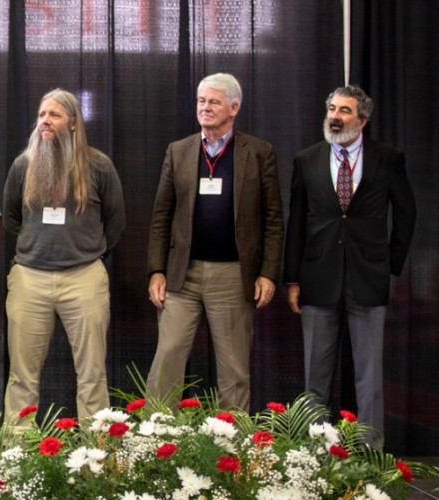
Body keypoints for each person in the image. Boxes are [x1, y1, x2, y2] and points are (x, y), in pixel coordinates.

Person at [284, 85, 416, 445]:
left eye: (344, 110)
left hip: (369, 276)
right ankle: (313, 453)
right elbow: (296, 221)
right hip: (317, 277)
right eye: (331, 108)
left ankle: (370, 453)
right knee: (316, 375)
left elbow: (406, 214)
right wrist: (292, 278)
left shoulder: (388, 159)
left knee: (369, 375)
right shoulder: (306, 159)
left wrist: (390, 265)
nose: (334, 116)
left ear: (363, 120)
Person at [146, 73, 283, 412]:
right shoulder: (178, 151)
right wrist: (156, 270)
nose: (205, 108)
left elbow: (273, 220)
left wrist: (267, 273)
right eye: (201, 101)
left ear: (234, 108)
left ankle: (231, 451)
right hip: (182, 275)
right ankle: (152, 444)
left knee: (234, 368)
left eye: (214, 102)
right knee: (167, 359)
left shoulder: (259, 152)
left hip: (234, 276)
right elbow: (161, 215)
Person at [3, 88, 126, 423]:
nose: (45, 121)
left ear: (73, 123)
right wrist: (38, 249)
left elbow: (116, 222)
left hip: (84, 277)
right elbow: (12, 218)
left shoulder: (98, 165)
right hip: (30, 278)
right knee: (21, 377)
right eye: (42, 114)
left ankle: (97, 453)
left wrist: (88, 252)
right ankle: (19, 455)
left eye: (54, 115)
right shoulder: (22, 165)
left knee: (92, 374)